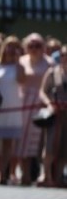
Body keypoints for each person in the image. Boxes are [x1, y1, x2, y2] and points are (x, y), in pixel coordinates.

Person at [0, 36, 25, 185]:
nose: (10, 49)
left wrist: (17, 61)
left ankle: (2, 173)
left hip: (12, 107)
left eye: (14, 46)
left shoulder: (19, 67)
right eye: (8, 46)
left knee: (8, 142)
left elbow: (22, 81)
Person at [17, 33, 53, 185]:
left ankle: (42, 174)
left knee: (39, 141)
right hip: (22, 104)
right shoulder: (21, 61)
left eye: (38, 45)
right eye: (31, 45)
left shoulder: (49, 63)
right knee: (22, 140)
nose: (34, 49)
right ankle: (24, 173)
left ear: (43, 47)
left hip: (41, 105)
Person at [39, 45, 67, 188]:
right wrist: (50, 104)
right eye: (63, 55)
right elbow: (43, 92)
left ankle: (59, 176)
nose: (65, 58)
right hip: (54, 114)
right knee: (49, 144)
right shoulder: (53, 72)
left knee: (64, 147)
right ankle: (46, 175)